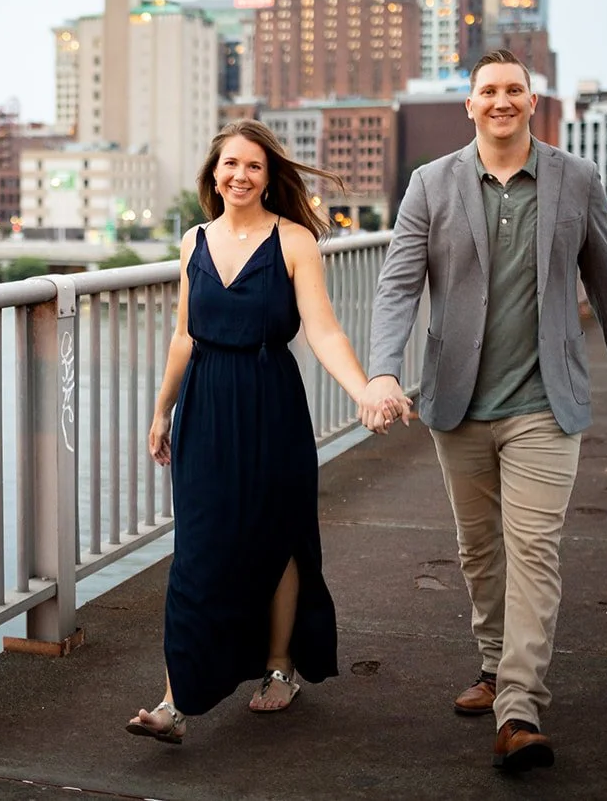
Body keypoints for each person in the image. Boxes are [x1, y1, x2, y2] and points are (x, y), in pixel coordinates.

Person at [362, 50, 607, 772]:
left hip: (544, 403)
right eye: (487, 91)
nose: (501, 100)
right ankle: (495, 663)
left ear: (533, 102)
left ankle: (519, 706)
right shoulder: (430, 185)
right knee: (478, 548)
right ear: (470, 105)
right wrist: (382, 369)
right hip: (456, 403)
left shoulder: (575, 180)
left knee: (533, 549)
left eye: (513, 90)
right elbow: (399, 285)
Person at [125, 120, 402, 744]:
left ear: (269, 175)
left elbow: (323, 330)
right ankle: (176, 702)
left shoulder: (296, 240)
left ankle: (280, 667)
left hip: (272, 402)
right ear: (213, 173)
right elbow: (183, 335)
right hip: (205, 404)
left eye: (253, 166)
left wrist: (364, 391)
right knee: (197, 550)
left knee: (278, 537)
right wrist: (162, 410)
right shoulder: (192, 241)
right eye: (230, 164)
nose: (240, 176)